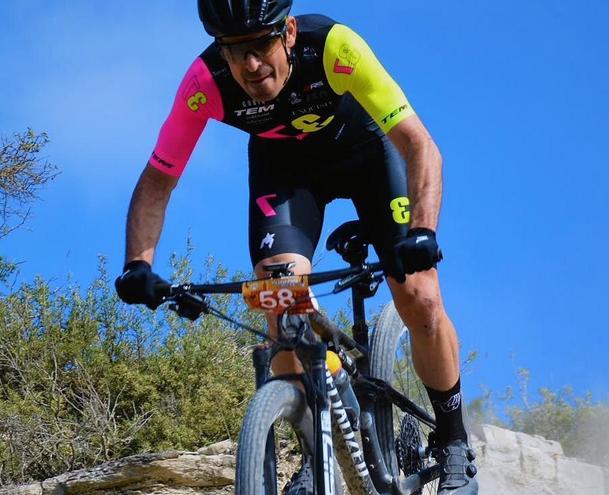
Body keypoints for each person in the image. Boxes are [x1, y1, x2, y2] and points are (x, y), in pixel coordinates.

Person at [114, 1, 477, 493]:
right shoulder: (205, 82)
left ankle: (453, 438)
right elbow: (159, 178)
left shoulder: (334, 48)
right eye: (234, 51)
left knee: (420, 297)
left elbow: (419, 145)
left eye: (260, 45)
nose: (249, 65)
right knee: (282, 305)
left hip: (369, 156)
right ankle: (315, 449)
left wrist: (423, 232)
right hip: (285, 174)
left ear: (286, 32)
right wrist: (139, 263)